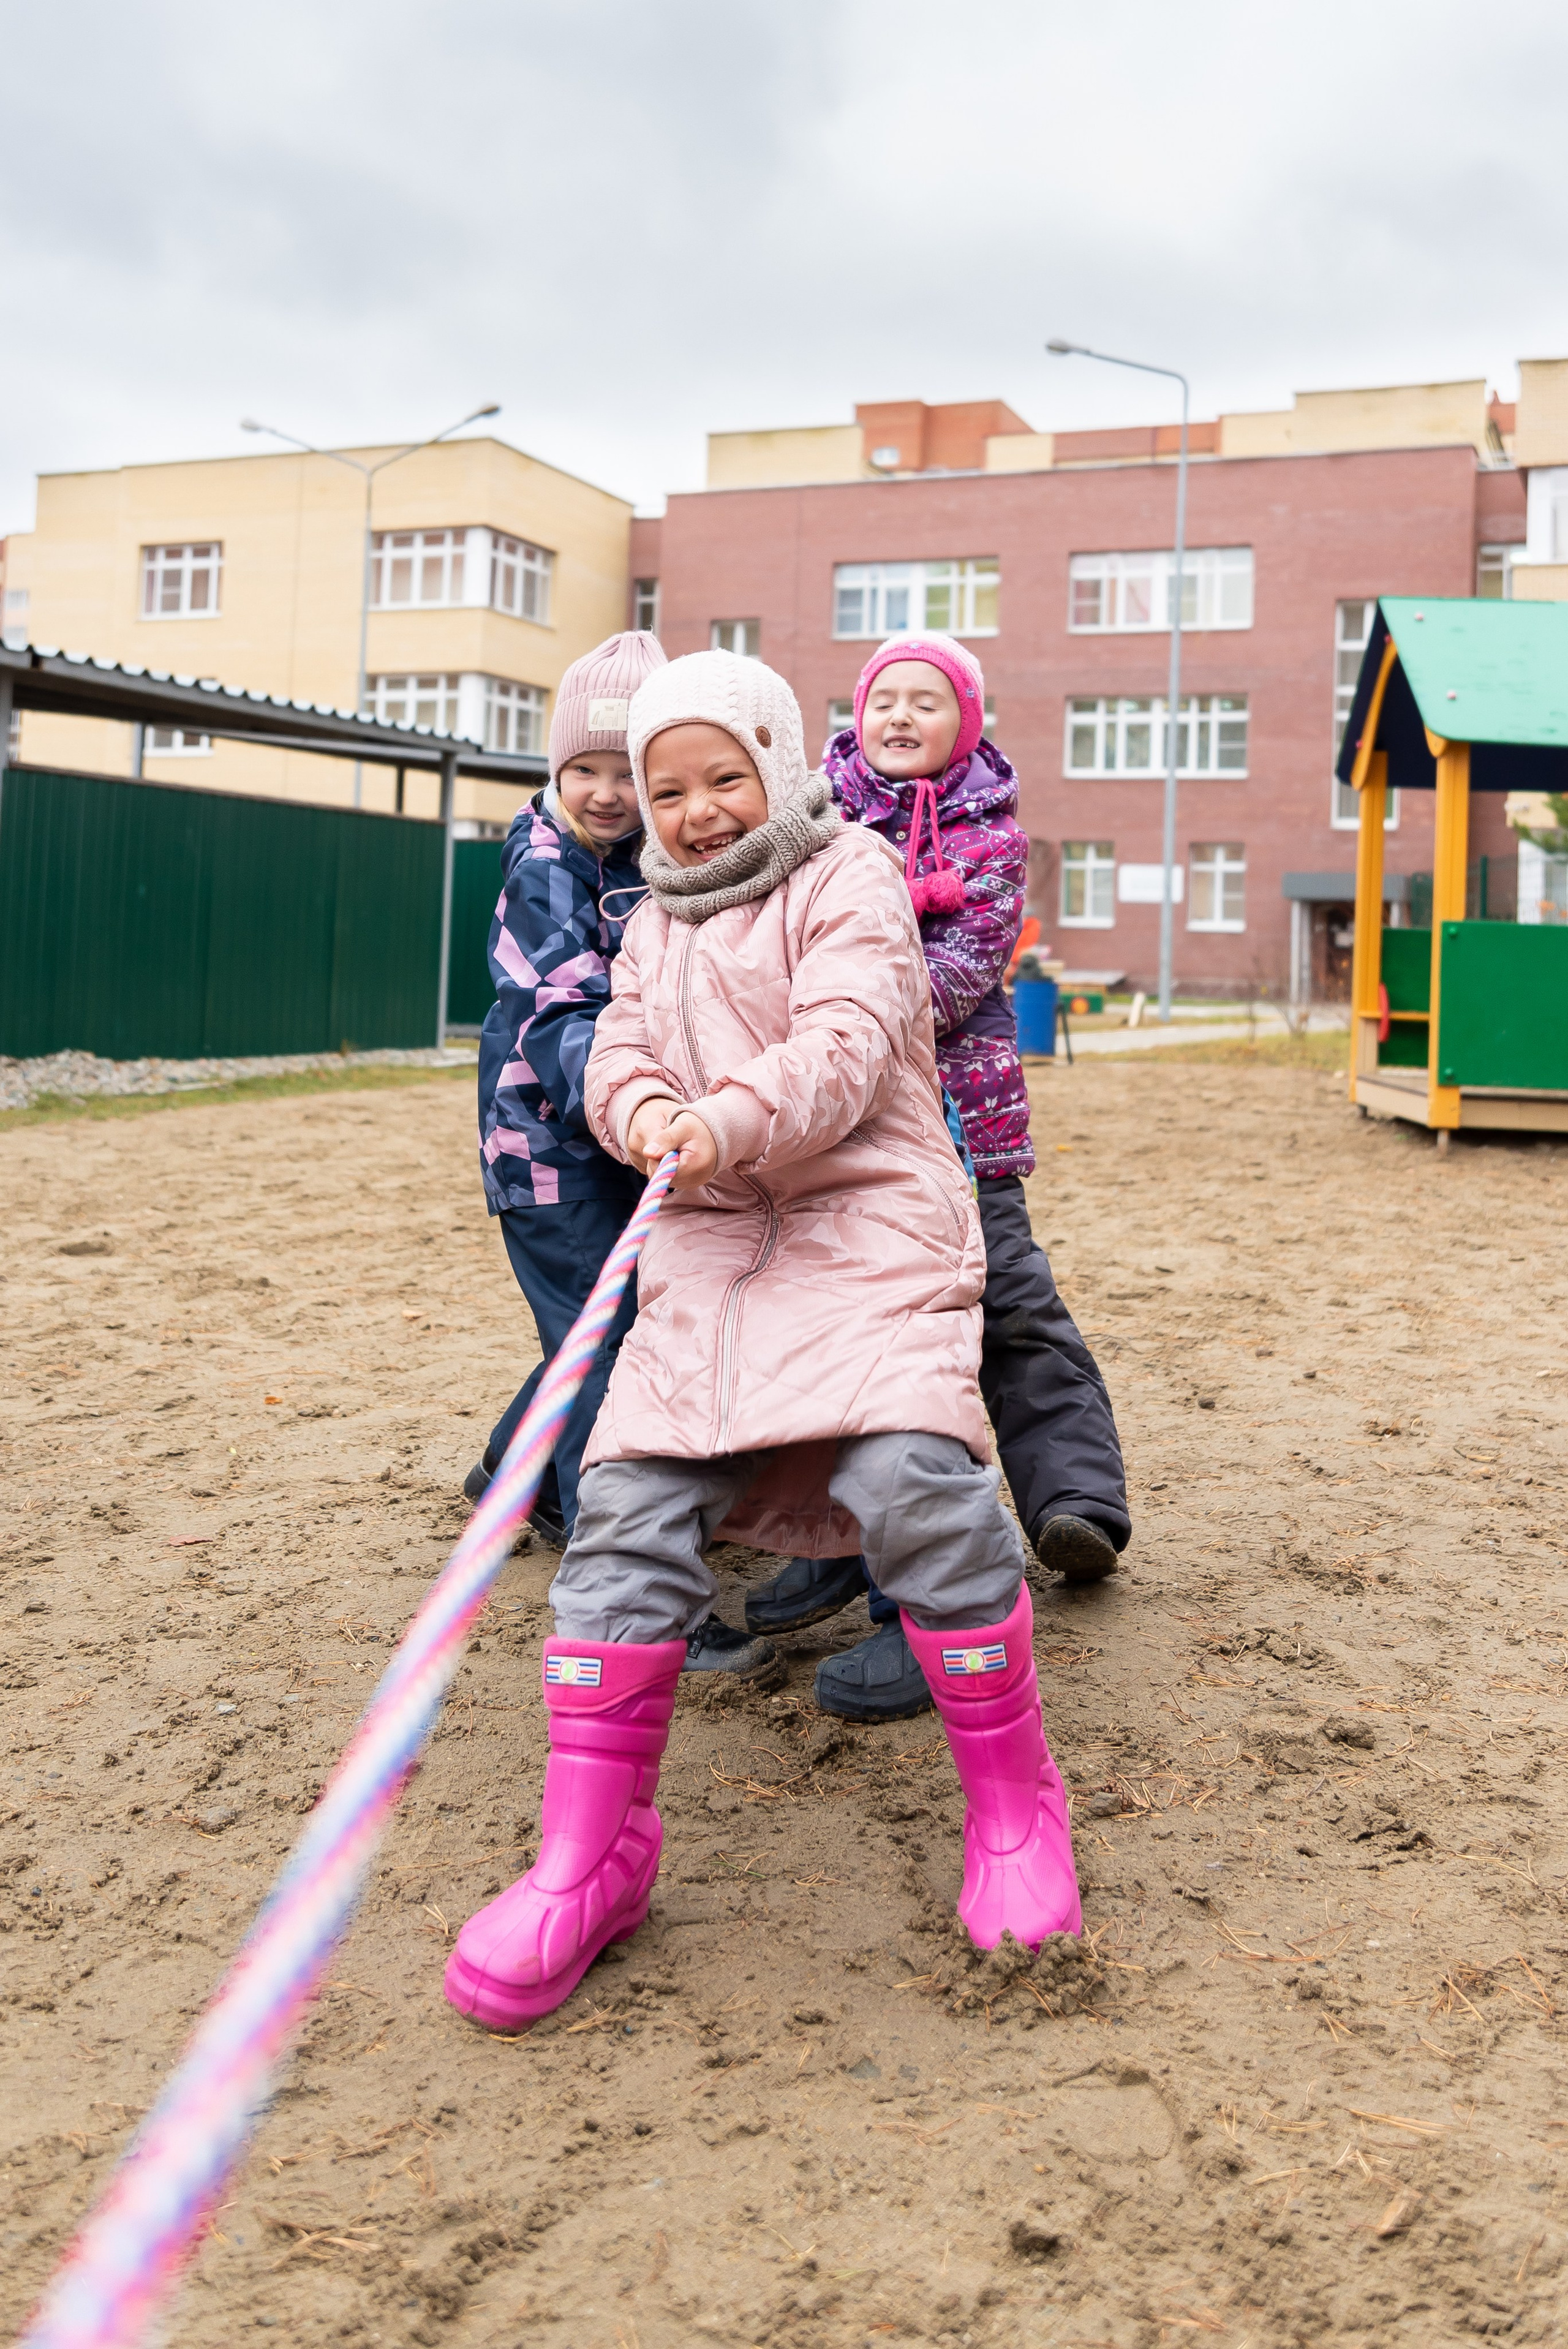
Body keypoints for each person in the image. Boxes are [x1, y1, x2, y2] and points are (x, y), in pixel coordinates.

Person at [443, 650, 1080, 2034]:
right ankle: (591, 1853)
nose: (693, 812)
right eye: (665, 791)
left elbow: (850, 1036)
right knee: (621, 1502)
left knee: (919, 1471)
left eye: (722, 777)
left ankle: (1017, 1810)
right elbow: (612, 1051)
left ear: (782, 769)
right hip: (714, 1245)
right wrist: (636, 1113)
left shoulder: (847, 874)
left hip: (866, 1224)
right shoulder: (655, 921)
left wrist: (726, 1116)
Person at [743, 633, 1131, 1722]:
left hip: (963, 1124)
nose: (902, 716)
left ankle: (1076, 1501)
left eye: (928, 701)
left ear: (967, 725)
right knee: (840, 1322)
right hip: (846, 1125)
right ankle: (834, 1540)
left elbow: (960, 974)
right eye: (885, 699)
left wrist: (849, 1013)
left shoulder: (991, 839)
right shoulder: (813, 826)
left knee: (1006, 1303)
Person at [468, 628, 776, 1680]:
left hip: (621, 1146)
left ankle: (518, 1473)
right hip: (549, 1154)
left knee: (606, 1322)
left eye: (624, 772)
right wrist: (632, 1106)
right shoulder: (545, 867)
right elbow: (562, 1007)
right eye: (582, 770)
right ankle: (645, 1597)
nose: (604, 793)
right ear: (554, 771)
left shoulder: (654, 865)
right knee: (611, 1343)